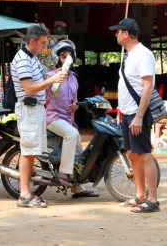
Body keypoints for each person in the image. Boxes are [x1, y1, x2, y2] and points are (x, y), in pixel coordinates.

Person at [11, 25, 67, 208]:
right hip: (29, 109)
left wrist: (54, 77)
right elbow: (28, 89)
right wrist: (51, 80)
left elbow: (39, 82)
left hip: (36, 110)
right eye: (43, 43)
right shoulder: (22, 60)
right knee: (27, 152)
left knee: (32, 151)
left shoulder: (33, 58)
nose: (45, 46)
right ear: (32, 41)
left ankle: (27, 192)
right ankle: (24, 194)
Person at [109, 18, 160, 213]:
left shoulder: (143, 55)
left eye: (118, 31)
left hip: (138, 113)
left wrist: (139, 116)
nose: (116, 35)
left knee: (145, 154)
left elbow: (148, 86)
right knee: (132, 153)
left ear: (126, 34)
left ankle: (152, 199)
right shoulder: (129, 55)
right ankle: (140, 195)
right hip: (128, 113)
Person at [45, 39, 99, 198]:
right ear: (57, 58)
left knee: (78, 148)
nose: (66, 58)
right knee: (72, 134)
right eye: (63, 56)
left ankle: (77, 188)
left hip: (68, 119)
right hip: (53, 117)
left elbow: (73, 100)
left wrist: (75, 105)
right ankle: (63, 172)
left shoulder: (74, 78)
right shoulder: (50, 76)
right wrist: (58, 78)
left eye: (69, 56)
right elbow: (53, 94)